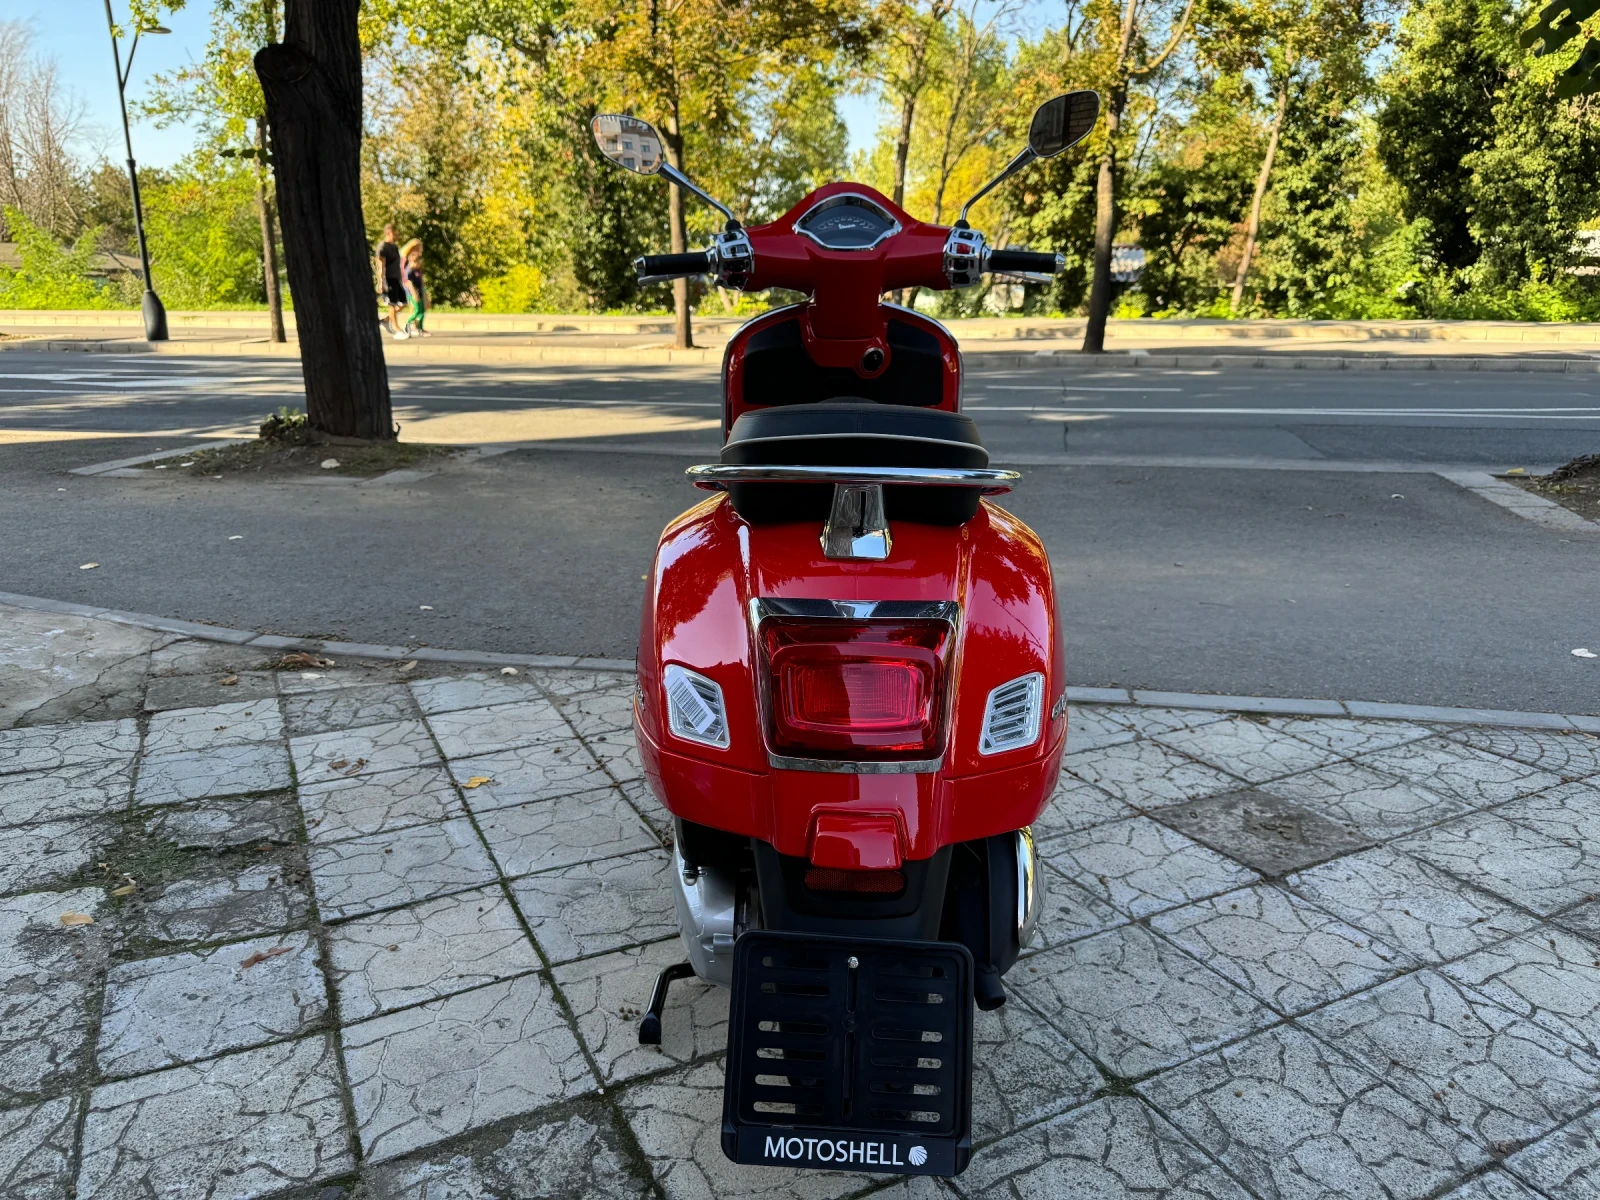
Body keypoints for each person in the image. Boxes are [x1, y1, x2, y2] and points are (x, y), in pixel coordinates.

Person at [375, 225, 408, 339]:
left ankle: (385, 321)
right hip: (388, 279)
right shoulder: (383, 247)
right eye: (395, 233)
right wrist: (381, 282)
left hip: (396, 279)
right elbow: (380, 265)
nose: (397, 235)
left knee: (404, 303)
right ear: (389, 233)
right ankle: (397, 329)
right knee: (392, 305)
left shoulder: (394, 247)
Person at [400, 238, 428, 336]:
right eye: (418, 248)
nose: (419, 251)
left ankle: (418, 327)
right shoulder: (407, 260)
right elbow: (406, 277)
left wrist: (423, 291)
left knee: (421, 309)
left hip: (418, 288)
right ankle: (411, 326)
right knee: (415, 309)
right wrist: (413, 292)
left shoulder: (417, 261)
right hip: (410, 288)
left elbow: (420, 276)